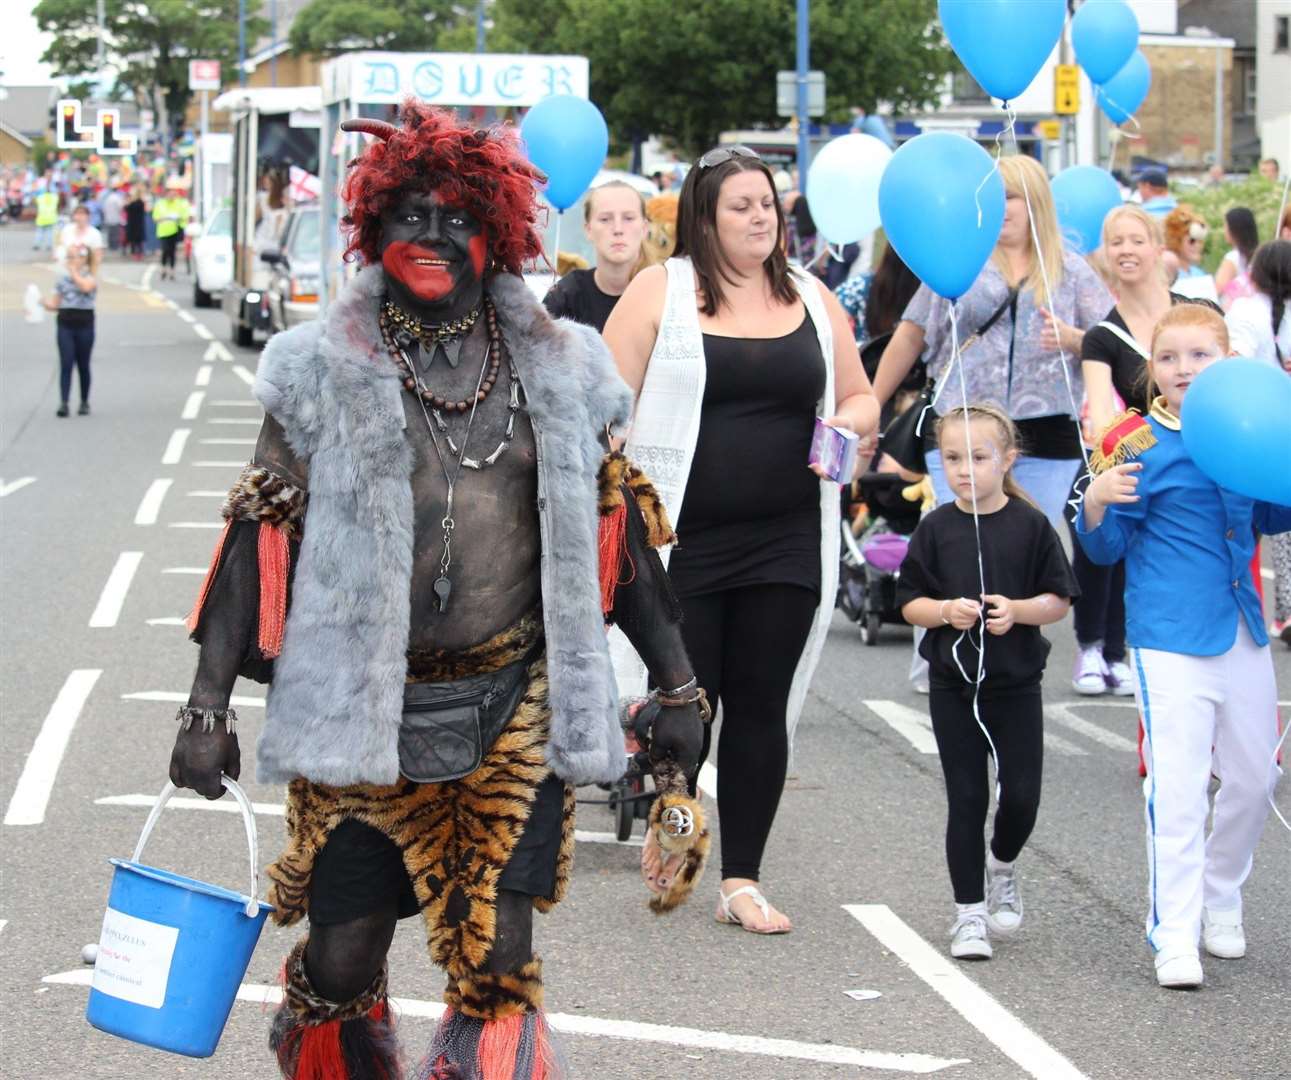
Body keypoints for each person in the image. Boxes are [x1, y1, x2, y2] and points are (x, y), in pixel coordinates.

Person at [168, 102, 706, 1080]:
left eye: (456, 217)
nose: (430, 235)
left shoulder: (562, 369)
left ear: (494, 232)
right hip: (361, 716)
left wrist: (677, 687)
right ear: (375, 227)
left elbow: (615, 534)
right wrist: (205, 702)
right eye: (409, 215)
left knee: (499, 962)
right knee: (342, 956)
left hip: (512, 707)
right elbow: (260, 532)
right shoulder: (320, 367)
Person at [603, 143, 879, 934]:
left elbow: (860, 397)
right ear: (704, 218)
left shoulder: (813, 298)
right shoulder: (662, 292)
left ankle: (741, 879)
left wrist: (846, 424)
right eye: (742, 206)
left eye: (768, 204)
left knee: (760, 706)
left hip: (787, 535)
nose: (760, 217)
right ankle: (674, 826)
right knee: (689, 705)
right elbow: (602, 403)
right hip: (681, 542)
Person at [1076, 303, 1290, 989]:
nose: (1182, 369)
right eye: (1168, 358)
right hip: (1168, 635)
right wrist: (1097, 501)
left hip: (1240, 628)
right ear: (1151, 369)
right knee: (1176, 786)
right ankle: (1172, 931)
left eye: (1199, 355)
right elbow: (1104, 550)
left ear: (1226, 359)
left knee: (1256, 779)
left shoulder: (1247, 424)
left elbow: (1272, 510)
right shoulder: (1134, 440)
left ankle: (1221, 893)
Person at [897, 404, 1077, 961]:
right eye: (952, 458)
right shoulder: (935, 528)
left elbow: (1058, 600)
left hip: (1016, 683)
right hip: (954, 685)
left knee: (1020, 796)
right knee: (967, 797)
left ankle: (1003, 862)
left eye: (978, 457)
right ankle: (968, 914)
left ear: (1008, 459)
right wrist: (945, 610)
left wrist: (1018, 611)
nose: (965, 470)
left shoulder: (1030, 525)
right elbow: (908, 604)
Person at [872, 154, 1113, 531]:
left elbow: (1110, 343)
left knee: (1029, 547)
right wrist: (872, 404)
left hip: (1046, 434)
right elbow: (910, 334)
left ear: (1035, 201)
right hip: (961, 427)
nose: (1000, 208)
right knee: (964, 547)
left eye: (1010, 197)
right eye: (991, 198)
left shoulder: (1071, 271)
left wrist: (1073, 339)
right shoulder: (959, 263)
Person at [1077, 206, 1223, 697]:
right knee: (1102, 515)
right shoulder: (1102, 335)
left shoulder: (1201, 311)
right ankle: (1097, 645)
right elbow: (1101, 414)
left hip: (1214, 458)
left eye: (1136, 239)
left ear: (1158, 246)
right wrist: (1122, 445)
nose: (1125, 250)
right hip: (1148, 457)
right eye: (1114, 242)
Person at [1227, 239, 1291, 647]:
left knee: (1245, 535)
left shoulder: (1245, 312)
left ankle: (1256, 616)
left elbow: (1232, 365)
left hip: (1251, 438)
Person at [543, 181, 648, 332]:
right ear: (588, 229)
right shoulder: (566, 295)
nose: (618, 229)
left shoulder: (663, 294)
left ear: (644, 228)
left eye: (629, 218)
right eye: (605, 219)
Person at [41, 233, 97, 417]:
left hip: (84, 322)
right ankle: (64, 402)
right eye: (69, 257)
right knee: (66, 362)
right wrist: (41, 303)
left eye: (74, 257)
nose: (71, 261)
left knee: (83, 364)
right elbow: (55, 304)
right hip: (65, 322)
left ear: (83, 259)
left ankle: (84, 401)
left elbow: (86, 287)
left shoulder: (90, 276)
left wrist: (74, 273)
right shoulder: (62, 280)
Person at [1162, 206, 1218, 302]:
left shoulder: (1199, 273)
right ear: (1176, 240)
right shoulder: (1167, 273)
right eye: (1192, 241)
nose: (1197, 246)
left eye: (1200, 241)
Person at [152, 179, 190, 280]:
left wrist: (178, 218)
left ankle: (172, 271)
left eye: (174, 194)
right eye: (170, 193)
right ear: (166, 194)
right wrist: (166, 218)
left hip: (174, 231)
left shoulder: (179, 203)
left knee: (172, 252)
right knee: (165, 251)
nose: (172, 196)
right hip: (163, 231)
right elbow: (155, 218)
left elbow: (184, 215)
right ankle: (164, 268)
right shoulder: (160, 204)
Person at [56, 201, 105, 268]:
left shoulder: (95, 233)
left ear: (88, 216)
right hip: (65, 268)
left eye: (82, 214)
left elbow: (98, 254)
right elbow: (60, 245)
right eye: (77, 214)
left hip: (85, 270)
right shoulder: (67, 229)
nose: (79, 217)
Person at [124, 184, 147, 259]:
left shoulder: (138, 202)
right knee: (136, 240)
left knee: (136, 240)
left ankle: (137, 253)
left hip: (136, 223)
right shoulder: (139, 202)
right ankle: (137, 253)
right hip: (135, 223)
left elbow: (127, 209)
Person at [32, 186, 59, 251]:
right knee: (50, 232)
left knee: (39, 232)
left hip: (41, 217)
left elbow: (34, 200)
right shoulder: (55, 197)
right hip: (51, 217)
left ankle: (36, 244)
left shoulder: (40, 197)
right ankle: (49, 245)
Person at [101, 185, 125, 252]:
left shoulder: (107, 198)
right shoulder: (117, 198)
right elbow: (121, 207)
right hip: (115, 217)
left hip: (108, 217)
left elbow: (104, 208)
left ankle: (111, 246)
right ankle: (115, 246)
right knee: (115, 233)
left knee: (110, 233)